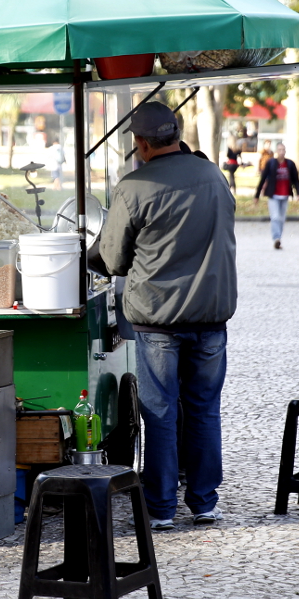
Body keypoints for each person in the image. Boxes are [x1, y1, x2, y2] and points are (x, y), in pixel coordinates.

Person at [87, 101, 237, 530]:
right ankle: (205, 502)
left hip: (158, 320)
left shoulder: (134, 187)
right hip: (211, 317)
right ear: (176, 135)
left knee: (160, 411)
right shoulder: (215, 176)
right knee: (205, 409)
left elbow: (113, 259)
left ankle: (161, 509)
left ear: (141, 144)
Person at [254, 143, 299, 249]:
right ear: (276, 151)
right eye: (280, 150)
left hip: (285, 195)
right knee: (275, 217)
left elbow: (295, 180)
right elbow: (263, 178)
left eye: (283, 150)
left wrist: (298, 193)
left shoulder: (290, 164)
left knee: (281, 218)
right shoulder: (271, 163)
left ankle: (279, 237)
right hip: (273, 195)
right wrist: (257, 195)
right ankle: (276, 238)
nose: (282, 152)